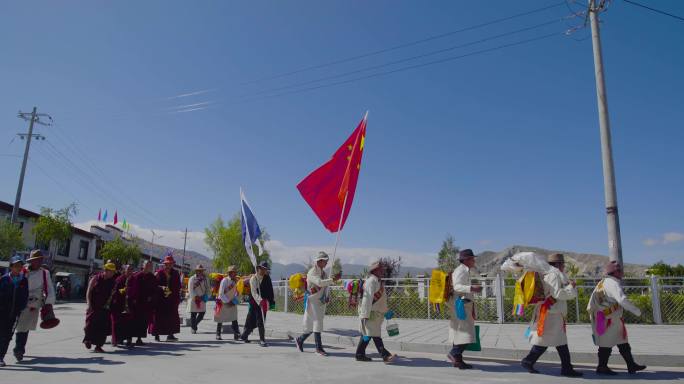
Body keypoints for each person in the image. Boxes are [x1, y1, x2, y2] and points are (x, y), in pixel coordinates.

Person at [520, 253, 582, 377]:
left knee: (554, 341)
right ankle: (565, 369)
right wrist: (571, 287)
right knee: (553, 342)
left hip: (551, 312)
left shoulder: (550, 274)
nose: (564, 266)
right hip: (551, 314)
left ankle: (530, 361)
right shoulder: (554, 275)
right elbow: (557, 294)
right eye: (563, 264)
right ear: (558, 264)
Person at [588, 261, 646, 375]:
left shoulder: (603, 282)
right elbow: (622, 300)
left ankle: (631, 365)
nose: (622, 273)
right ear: (614, 272)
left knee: (622, 342)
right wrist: (637, 311)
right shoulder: (612, 283)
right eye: (619, 271)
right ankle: (602, 367)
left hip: (602, 318)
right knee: (606, 344)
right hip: (608, 320)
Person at [295, 251, 341, 356]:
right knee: (317, 323)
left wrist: (327, 296)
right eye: (325, 261)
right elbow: (320, 283)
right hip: (313, 301)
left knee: (313, 325)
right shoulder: (312, 272)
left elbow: (325, 286)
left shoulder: (323, 273)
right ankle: (318, 348)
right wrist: (332, 279)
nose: (326, 263)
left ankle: (300, 340)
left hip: (320, 301)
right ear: (319, 261)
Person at [13, 250, 56, 362]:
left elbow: (49, 287)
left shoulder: (44, 273)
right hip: (19, 300)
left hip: (33, 302)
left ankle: (19, 349)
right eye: (36, 260)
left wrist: (49, 302)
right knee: (19, 326)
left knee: (25, 326)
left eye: (40, 260)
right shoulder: (23, 270)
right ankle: (18, 348)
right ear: (31, 261)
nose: (38, 262)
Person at [446, 249, 481, 369]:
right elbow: (457, 286)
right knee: (466, 332)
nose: (474, 260)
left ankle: (458, 361)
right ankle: (454, 353)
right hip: (461, 305)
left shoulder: (464, 270)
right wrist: (472, 288)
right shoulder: (461, 270)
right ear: (466, 260)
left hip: (462, 304)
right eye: (472, 258)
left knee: (460, 331)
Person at [355, 260, 396, 364]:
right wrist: (364, 314)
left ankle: (359, 354)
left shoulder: (377, 281)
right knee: (375, 335)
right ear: (375, 270)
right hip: (370, 313)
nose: (383, 270)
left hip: (375, 313)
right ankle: (385, 356)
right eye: (381, 268)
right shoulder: (371, 281)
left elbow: (381, 300)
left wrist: (386, 311)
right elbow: (367, 299)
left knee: (368, 334)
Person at [0, 256, 29, 367]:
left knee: (7, 336)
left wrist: (21, 308)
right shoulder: (4, 279)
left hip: (14, 313)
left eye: (20, 266)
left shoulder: (23, 281)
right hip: (2, 312)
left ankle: (1, 356)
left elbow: (25, 296)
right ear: (11, 267)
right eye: (16, 266)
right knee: (1, 334)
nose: (19, 268)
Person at [83, 262, 117, 352]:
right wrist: (88, 304)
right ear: (105, 270)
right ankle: (88, 340)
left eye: (114, 272)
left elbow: (113, 295)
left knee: (102, 327)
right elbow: (89, 291)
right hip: (93, 306)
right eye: (111, 271)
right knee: (89, 325)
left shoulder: (113, 282)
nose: (113, 273)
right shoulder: (96, 278)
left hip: (105, 308)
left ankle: (98, 346)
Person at [240, 261, 274, 346]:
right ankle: (248, 336)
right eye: (262, 269)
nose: (263, 271)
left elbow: (270, 290)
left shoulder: (267, 278)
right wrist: (260, 300)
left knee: (261, 320)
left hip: (264, 303)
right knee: (252, 321)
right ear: (258, 268)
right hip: (254, 302)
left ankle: (258, 339)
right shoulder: (253, 278)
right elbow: (254, 292)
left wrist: (271, 301)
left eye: (265, 269)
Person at [150, 255, 181, 342]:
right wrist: (162, 288)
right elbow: (155, 285)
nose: (169, 265)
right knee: (159, 317)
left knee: (172, 317)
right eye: (167, 263)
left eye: (171, 263)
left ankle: (170, 334)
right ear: (165, 264)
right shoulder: (159, 273)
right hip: (161, 299)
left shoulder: (175, 273)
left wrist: (174, 292)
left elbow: (178, 285)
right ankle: (156, 334)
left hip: (171, 299)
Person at [128, 260, 158, 345]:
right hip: (136, 303)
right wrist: (132, 298)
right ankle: (129, 338)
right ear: (143, 266)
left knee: (143, 322)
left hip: (146, 304)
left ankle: (139, 338)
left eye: (150, 266)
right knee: (133, 321)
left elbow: (155, 289)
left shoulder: (152, 277)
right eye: (147, 265)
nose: (149, 267)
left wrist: (151, 297)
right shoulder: (136, 275)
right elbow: (130, 287)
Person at [111, 264, 135, 348]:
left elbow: (136, 290)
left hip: (129, 304)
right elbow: (115, 290)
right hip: (119, 304)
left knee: (129, 323)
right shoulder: (119, 279)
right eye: (128, 269)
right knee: (119, 324)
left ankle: (128, 340)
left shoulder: (133, 279)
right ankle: (117, 340)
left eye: (131, 269)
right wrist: (123, 291)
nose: (130, 271)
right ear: (124, 270)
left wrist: (131, 293)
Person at [214, 266, 240, 341]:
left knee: (234, 317)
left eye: (235, 272)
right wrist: (227, 301)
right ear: (230, 273)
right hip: (223, 301)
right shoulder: (224, 280)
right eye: (233, 272)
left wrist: (234, 301)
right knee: (220, 318)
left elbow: (236, 292)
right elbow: (221, 293)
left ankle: (236, 334)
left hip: (232, 301)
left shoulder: (236, 281)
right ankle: (218, 334)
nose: (234, 274)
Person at [186, 264, 210, 334]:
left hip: (202, 298)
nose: (200, 272)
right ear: (196, 271)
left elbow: (208, 289)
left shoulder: (206, 279)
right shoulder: (192, 278)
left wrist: (207, 296)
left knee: (202, 313)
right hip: (194, 298)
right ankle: (193, 328)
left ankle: (194, 325)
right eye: (198, 271)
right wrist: (195, 296)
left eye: (201, 271)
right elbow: (190, 289)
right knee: (193, 314)